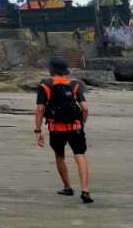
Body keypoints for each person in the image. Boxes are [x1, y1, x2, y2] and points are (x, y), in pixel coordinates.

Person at [34, 57, 93, 203]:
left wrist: (38, 130)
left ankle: (67, 187)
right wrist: (82, 123)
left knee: (60, 156)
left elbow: (40, 109)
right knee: (80, 155)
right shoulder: (75, 84)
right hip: (76, 128)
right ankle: (85, 190)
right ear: (65, 71)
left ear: (51, 70)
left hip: (56, 129)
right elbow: (85, 108)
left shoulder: (45, 85)